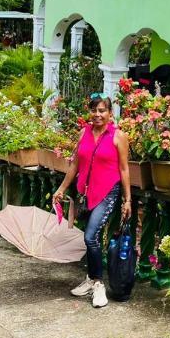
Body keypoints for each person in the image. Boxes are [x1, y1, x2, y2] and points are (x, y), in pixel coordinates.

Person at [53, 93, 131, 308]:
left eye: (102, 110)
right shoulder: (83, 133)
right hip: (86, 193)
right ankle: (90, 279)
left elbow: (124, 170)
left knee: (90, 236)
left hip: (108, 192)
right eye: (94, 110)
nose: (97, 115)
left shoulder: (118, 136)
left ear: (109, 113)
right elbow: (75, 165)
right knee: (92, 236)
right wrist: (61, 189)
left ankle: (98, 284)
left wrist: (127, 200)